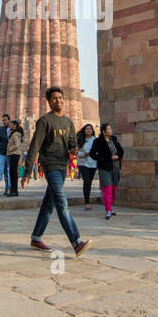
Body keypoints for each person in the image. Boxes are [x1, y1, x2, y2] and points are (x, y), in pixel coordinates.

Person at [25, 86, 91, 257]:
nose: (58, 101)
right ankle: (76, 242)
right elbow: (35, 146)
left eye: (60, 98)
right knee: (62, 203)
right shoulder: (44, 121)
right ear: (49, 102)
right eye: (54, 98)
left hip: (63, 166)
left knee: (50, 203)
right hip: (50, 165)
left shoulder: (68, 122)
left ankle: (36, 237)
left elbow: (72, 144)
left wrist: (74, 150)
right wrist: (26, 172)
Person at [89, 122, 124, 220]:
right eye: (109, 129)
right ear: (104, 132)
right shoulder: (98, 141)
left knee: (114, 190)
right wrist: (104, 158)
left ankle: (110, 207)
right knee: (107, 189)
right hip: (105, 168)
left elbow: (121, 150)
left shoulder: (114, 139)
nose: (111, 130)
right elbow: (92, 153)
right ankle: (108, 209)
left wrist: (117, 156)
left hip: (115, 167)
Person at [75, 123, 97, 205]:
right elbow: (76, 153)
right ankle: (87, 202)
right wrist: (85, 154)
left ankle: (87, 199)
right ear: (84, 131)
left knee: (89, 182)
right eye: (87, 129)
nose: (89, 130)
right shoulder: (80, 140)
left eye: (90, 129)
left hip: (93, 164)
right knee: (87, 181)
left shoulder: (95, 140)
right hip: (83, 164)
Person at [6, 119, 23, 196]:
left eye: (11, 124)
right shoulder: (15, 133)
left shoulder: (15, 134)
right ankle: (13, 190)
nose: (9, 126)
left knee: (13, 173)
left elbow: (17, 145)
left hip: (14, 154)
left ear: (15, 125)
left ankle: (14, 191)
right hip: (14, 154)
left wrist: (9, 149)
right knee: (13, 172)